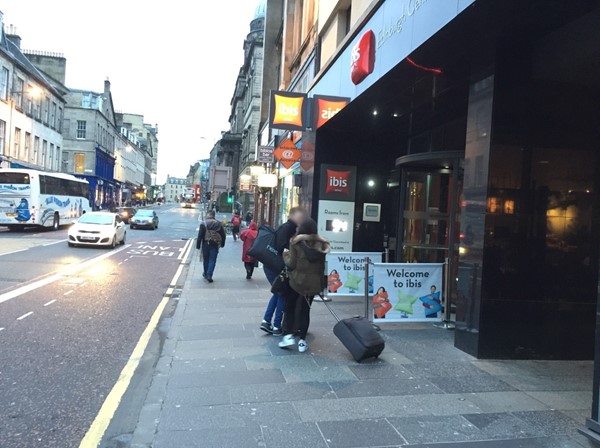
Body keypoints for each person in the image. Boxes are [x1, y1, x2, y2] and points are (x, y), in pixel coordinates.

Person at [279, 217, 330, 353]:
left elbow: (291, 264)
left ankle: (288, 336)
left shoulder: (296, 243)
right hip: (313, 284)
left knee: (290, 307)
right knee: (305, 310)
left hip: (297, 282)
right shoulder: (322, 245)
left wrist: (286, 255)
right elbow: (321, 268)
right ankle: (302, 342)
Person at [260, 207, 307, 336]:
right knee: (281, 294)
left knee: (277, 292)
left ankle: (266, 321)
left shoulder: (287, 227)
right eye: (300, 217)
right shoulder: (288, 228)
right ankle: (276, 326)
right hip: (275, 266)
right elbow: (283, 249)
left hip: (271, 265)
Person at [196, 210, 226, 283]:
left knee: (206, 259)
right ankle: (209, 274)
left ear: (207, 215)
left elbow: (200, 235)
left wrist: (198, 245)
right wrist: (222, 244)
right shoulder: (219, 224)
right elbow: (223, 235)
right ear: (214, 215)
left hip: (206, 243)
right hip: (215, 244)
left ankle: (206, 273)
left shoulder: (203, 223)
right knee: (212, 259)